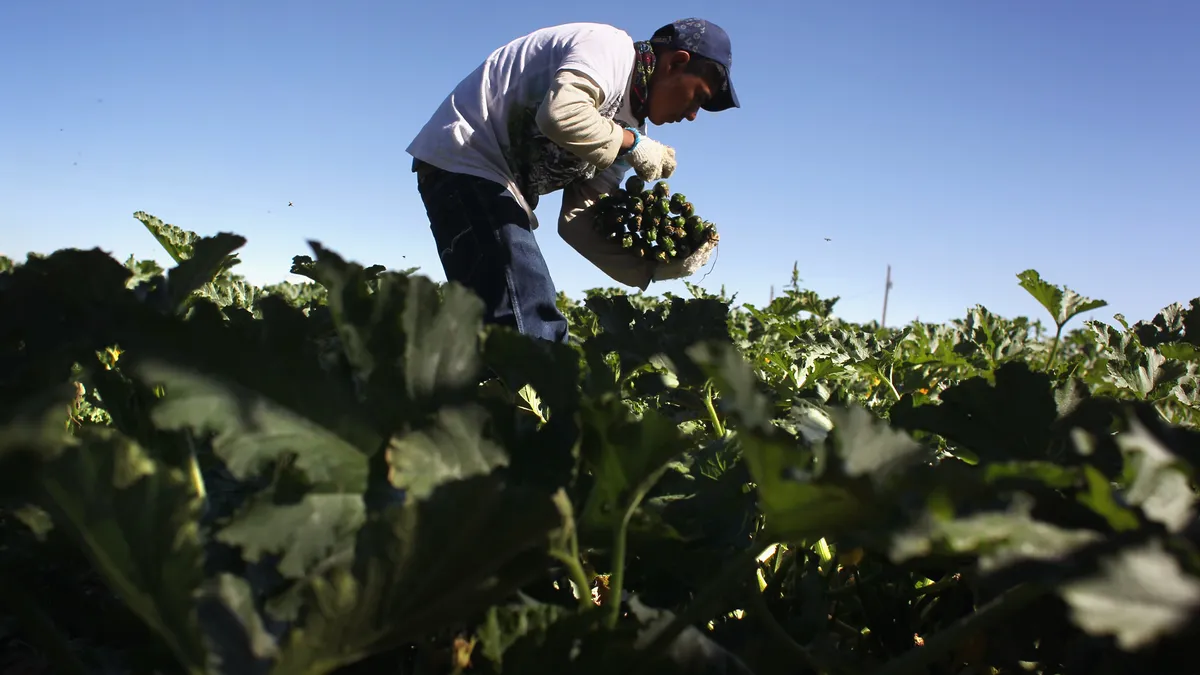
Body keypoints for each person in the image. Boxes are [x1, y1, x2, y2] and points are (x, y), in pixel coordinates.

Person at [406, 18, 739, 343]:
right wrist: (632, 144)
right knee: (528, 313)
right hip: (466, 155)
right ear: (676, 64)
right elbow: (561, 114)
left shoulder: (630, 127)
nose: (693, 115)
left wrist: (652, 268)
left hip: (494, 184)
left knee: (501, 326)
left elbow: (580, 222)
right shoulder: (610, 50)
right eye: (698, 98)